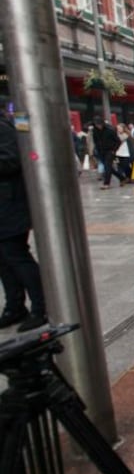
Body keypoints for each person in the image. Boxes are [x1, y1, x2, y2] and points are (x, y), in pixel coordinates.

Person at [0, 112, 48, 332]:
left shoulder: (4, 127)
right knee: (4, 259)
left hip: (10, 206)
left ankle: (41, 307)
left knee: (16, 255)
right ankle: (15, 306)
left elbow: (12, 159)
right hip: (6, 205)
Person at [92, 117, 125, 189]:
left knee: (107, 166)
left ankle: (106, 183)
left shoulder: (110, 130)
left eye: (99, 125)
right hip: (101, 151)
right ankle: (122, 178)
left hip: (110, 151)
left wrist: (114, 150)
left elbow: (118, 141)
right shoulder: (95, 131)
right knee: (108, 167)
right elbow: (95, 141)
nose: (98, 126)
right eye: (97, 125)